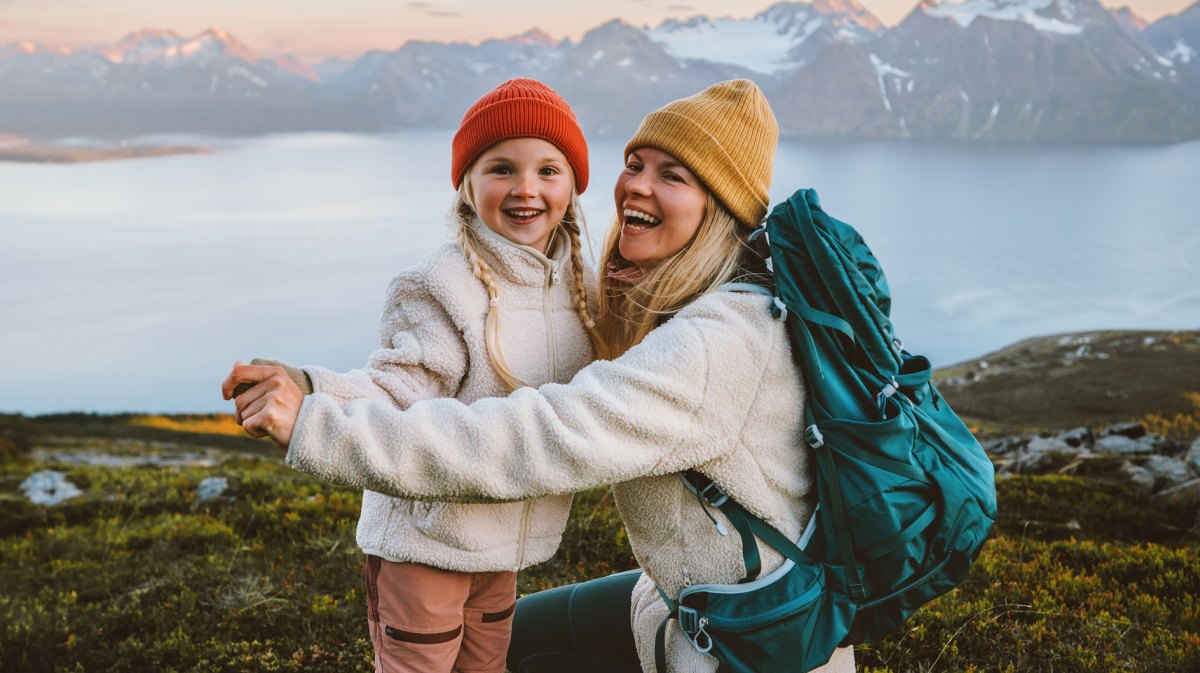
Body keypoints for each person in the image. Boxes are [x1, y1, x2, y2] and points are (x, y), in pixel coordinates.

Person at [223, 79, 855, 673]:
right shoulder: (679, 296)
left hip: (744, 640)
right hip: (683, 600)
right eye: (635, 163)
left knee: (504, 641)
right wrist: (314, 385)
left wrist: (316, 424)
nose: (635, 186)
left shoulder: (714, 344)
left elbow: (538, 438)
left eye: (674, 176)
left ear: (720, 208)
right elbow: (401, 383)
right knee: (504, 640)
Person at [230, 77, 601, 673]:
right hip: (424, 545)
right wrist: (309, 388)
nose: (525, 188)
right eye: (501, 168)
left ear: (573, 186)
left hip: (500, 546)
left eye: (548, 171)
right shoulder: (439, 286)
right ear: (467, 183)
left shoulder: (580, 288)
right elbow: (394, 392)